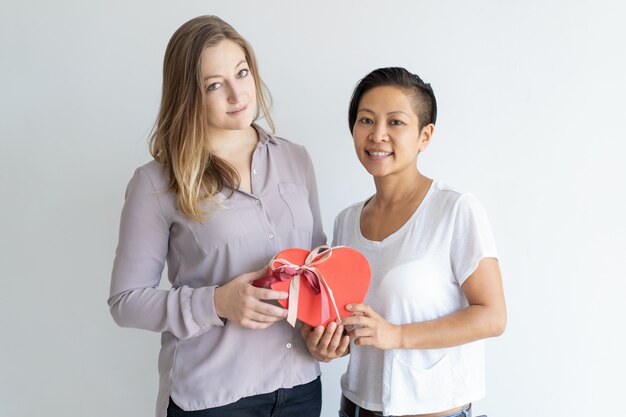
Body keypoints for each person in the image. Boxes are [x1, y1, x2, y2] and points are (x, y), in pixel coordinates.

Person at [108, 15, 325, 417]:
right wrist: (217, 303)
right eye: (214, 84)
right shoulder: (155, 183)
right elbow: (125, 302)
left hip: (301, 389)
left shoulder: (296, 159)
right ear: (189, 95)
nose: (236, 93)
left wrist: (327, 330)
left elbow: (315, 272)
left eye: (241, 73)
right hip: (214, 400)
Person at [301, 67, 506, 417]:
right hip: (356, 407)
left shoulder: (454, 209)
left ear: (425, 136)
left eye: (395, 122)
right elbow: (355, 329)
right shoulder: (346, 222)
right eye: (366, 120)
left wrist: (396, 335)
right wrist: (328, 345)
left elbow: (492, 316)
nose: (377, 134)